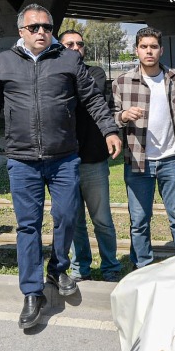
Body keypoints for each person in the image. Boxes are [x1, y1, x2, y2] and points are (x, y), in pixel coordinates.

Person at [0, 4, 121, 329]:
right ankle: (32, 292)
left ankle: (58, 267)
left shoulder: (68, 59)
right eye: (34, 27)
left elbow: (93, 98)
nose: (41, 32)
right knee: (28, 227)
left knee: (67, 216)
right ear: (22, 30)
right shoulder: (5, 62)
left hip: (64, 158)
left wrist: (109, 129)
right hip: (23, 161)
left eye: (47, 27)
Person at [113, 27, 175, 270]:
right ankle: (143, 268)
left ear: (161, 49)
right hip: (139, 161)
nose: (149, 51)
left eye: (153, 46)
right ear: (136, 50)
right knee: (139, 220)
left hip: (171, 159)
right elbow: (112, 117)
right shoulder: (122, 82)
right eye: (144, 46)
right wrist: (124, 115)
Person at [60, 28, 120, 281]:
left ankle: (110, 267)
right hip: (63, 161)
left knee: (102, 220)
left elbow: (81, 99)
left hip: (93, 160)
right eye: (69, 44)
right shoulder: (54, 73)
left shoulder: (95, 73)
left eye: (79, 44)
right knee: (74, 222)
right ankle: (80, 268)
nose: (75, 48)